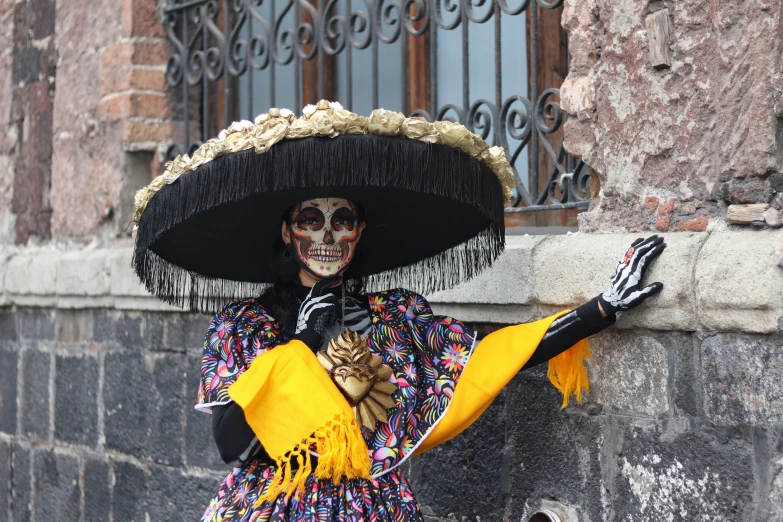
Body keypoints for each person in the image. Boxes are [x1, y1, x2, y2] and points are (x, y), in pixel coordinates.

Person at [130, 102, 664, 521]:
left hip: (374, 506)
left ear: (360, 233)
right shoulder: (247, 325)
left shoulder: (395, 317)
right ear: (289, 230)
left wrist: (599, 311)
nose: (327, 236)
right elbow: (233, 445)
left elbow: (482, 362)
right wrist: (300, 343)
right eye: (311, 220)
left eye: (343, 222)